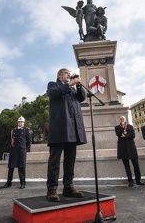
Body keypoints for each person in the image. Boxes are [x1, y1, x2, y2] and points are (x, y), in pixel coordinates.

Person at [46, 68, 87, 202]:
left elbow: (82, 98)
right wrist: (69, 84)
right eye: (66, 73)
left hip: (72, 130)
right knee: (54, 161)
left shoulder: (73, 90)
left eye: (70, 74)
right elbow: (53, 94)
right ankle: (52, 189)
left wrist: (79, 85)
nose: (69, 75)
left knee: (70, 161)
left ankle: (68, 187)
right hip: (59, 129)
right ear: (59, 75)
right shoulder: (53, 85)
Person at [1, 116, 32, 189]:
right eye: (19, 122)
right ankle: (8, 182)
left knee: (21, 167)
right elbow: (11, 140)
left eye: (21, 122)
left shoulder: (26, 130)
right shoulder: (14, 130)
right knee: (11, 167)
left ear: (23, 123)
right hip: (14, 150)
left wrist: (24, 147)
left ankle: (22, 183)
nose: (20, 123)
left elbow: (29, 141)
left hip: (21, 150)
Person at [115, 116, 144, 187]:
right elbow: (118, 134)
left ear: (125, 120)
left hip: (131, 148)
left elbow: (133, 135)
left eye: (123, 119)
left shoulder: (130, 127)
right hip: (123, 148)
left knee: (136, 165)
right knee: (127, 166)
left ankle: (138, 180)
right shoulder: (117, 127)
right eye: (121, 119)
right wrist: (122, 127)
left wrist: (125, 136)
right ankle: (130, 181)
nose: (122, 120)